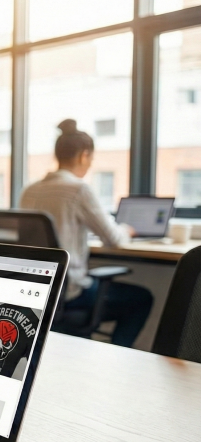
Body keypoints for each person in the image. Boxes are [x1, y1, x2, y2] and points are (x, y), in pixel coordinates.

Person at [20, 119, 154, 348]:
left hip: (37, 292)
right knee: (141, 299)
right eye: (91, 158)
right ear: (84, 155)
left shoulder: (29, 190)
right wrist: (127, 229)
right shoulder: (79, 189)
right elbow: (114, 238)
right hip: (71, 294)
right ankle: (118, 358)